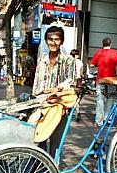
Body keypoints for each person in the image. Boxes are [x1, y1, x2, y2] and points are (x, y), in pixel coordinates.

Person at [33, 25, 74, 158]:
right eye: (50, 39)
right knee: (39, 139)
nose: (53, 42)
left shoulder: (68, 60)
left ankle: (52, 171)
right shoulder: (42, 59)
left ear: (61, 41)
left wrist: (56, 90)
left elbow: (70, 80)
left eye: (57, 39)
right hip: (41, 104)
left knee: (55, 143)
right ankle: (40, 170)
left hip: (58, 105)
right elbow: (36, 81)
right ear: (46, 41)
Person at [90, 37, 117, 127]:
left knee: (100, 101)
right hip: (111, 80)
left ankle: (98, 121)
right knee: (110, 99)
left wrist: (97, 64)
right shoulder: (115, 53)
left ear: (102, 44)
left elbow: (92, 65)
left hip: (100, 80)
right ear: (110, 44)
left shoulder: (98, 52)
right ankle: (107, 118)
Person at [70, 49, 83, 121]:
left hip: (71, 81)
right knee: (77, 96)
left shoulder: (68, 61)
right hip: (78, 81)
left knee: (70, 94)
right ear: (76, 55)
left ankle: (71, 109)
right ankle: (77, 110)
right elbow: (81, 73)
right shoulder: (80, 62)